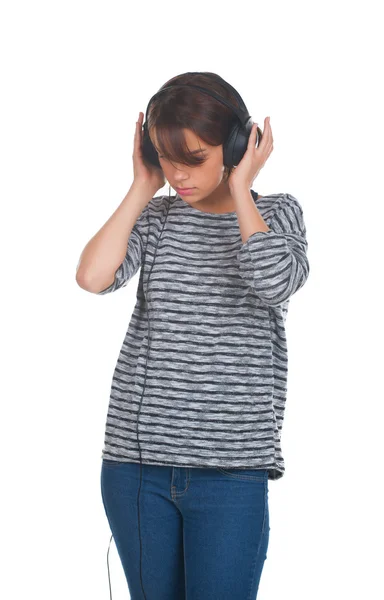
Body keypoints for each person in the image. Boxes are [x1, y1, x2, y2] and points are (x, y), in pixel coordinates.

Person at [76, 72, 310, 599]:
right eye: (165, 156)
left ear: (235, 146)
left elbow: (274, 283)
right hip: (137, 467)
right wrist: (142, 186)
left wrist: (241, 189)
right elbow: (92, 277)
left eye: (195, 158)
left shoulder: (276, 213)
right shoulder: (156, 218)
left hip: (232, 472)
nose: (178, 174)